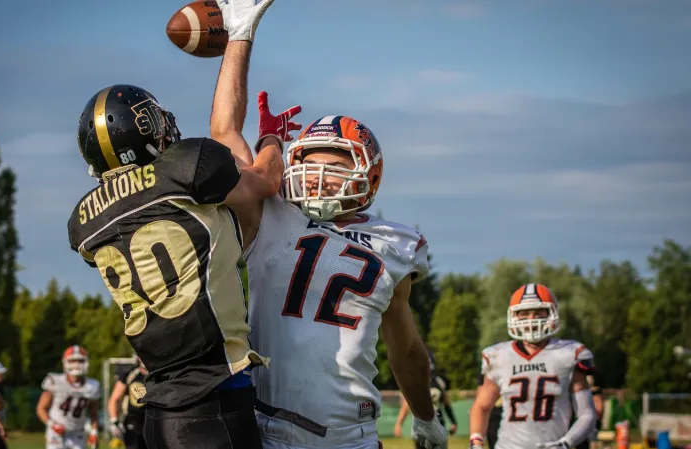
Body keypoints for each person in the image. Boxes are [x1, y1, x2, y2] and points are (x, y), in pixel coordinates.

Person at [210, 22, 448, 446]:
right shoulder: (270, 211)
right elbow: (226, 136)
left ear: (368, 173)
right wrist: (240, 37)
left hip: (351, 435)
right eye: (310, 164)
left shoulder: (395, 243)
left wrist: (426, 418)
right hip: (267, 429)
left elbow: (406, 348)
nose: (318, 177)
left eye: (334, 166)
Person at [66, 2, 289, 447]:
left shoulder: (84, 222)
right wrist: (271, 138)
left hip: (158, 413)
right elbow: (264, 179)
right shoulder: (185, 168)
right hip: (214, 404)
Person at [468, 283, 597, 449]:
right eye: (525, 313)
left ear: (552, 314)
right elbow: (482, 406)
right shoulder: (499, 355)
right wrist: (476, 441)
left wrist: (566, 443)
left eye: (538, 312)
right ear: (513, 316)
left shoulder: (569, 353)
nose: (531, 319)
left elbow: (587, 413)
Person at [35, 346, 100, 449]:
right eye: (73, 361)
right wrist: (52, 424)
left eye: (80, 361)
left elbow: (94, 413)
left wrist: (94, 432)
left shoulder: (92, 385)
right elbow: (41, 408)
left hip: (78, 432)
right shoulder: (55, 381)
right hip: (56, 431)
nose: (77, 364)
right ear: (65, 362)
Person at [108, 355, 148, 449]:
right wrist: (114, 420)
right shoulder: (130, 373)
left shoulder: (159, 374)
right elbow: (115, 398)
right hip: (133, 420)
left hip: (154, 420)